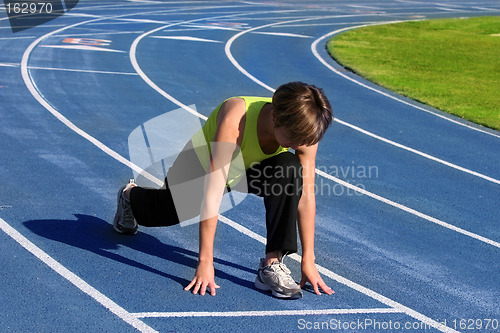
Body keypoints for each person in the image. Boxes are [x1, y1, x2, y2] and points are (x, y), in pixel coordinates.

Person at [113, 81, 334, 299]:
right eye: (294, 140)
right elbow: (212, 193)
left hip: (249, 170)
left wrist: (309, 261)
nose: (299, 145)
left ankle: (272, 264)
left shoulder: (305, 129)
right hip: (199, 167)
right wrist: (205, 263)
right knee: (163, 212)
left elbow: (304, 196)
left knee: (289, 169)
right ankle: (130, 195)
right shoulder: (236, 117)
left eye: (304, 140)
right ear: (275, 117)